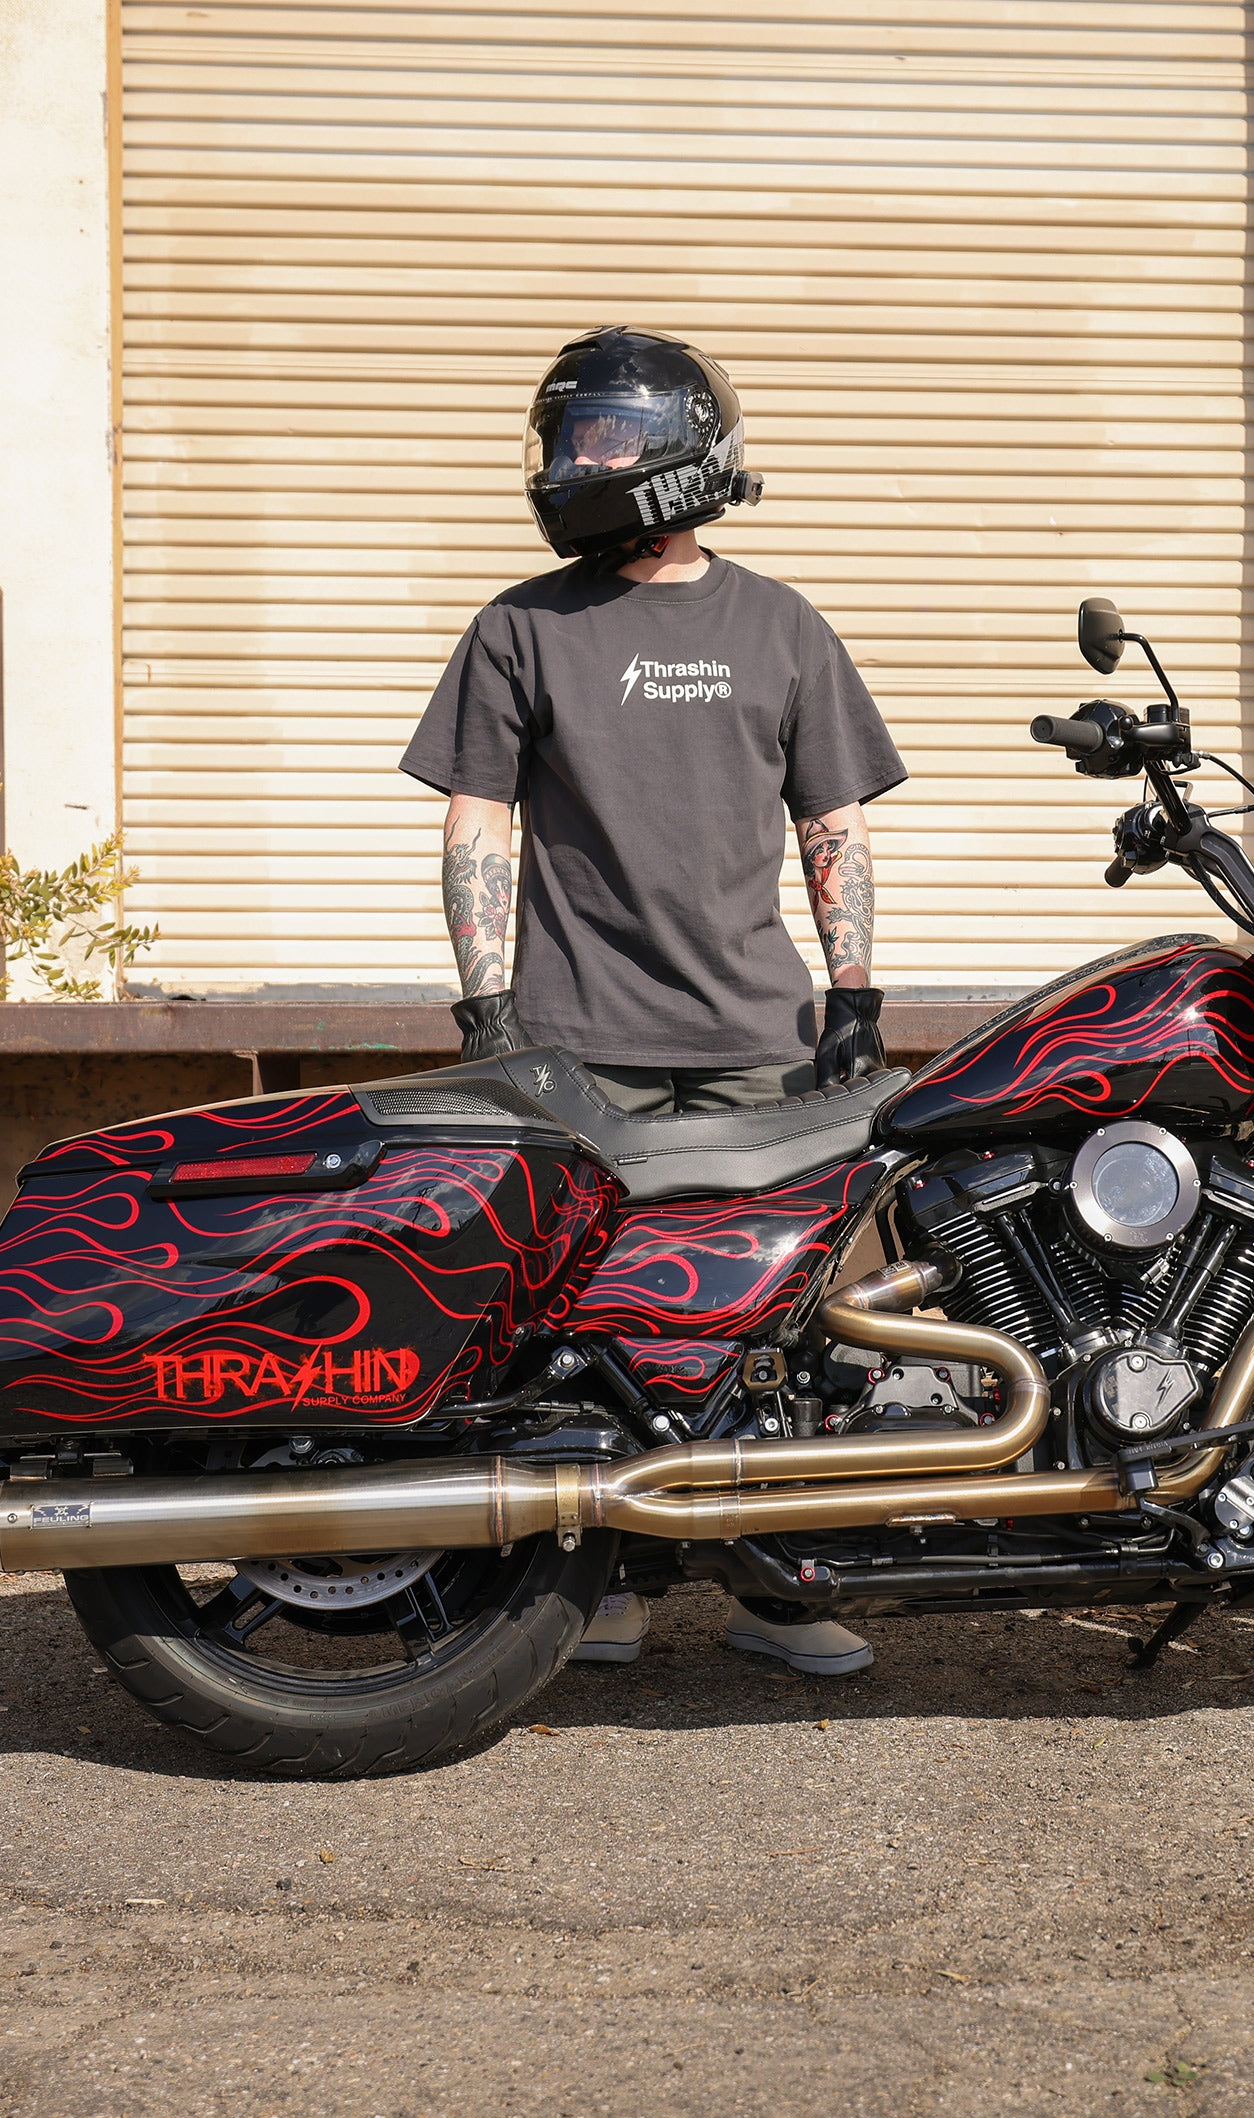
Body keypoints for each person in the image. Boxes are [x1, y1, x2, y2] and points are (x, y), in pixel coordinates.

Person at [401, 327, 906, 1677]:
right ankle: (600, 1584)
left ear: (683, 448)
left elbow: (834, 822)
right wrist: (487, 1011)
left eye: (607, 438)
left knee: (777, 1319)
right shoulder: (520, 627)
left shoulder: (781, 625)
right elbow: (476, 821)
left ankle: (775, 1593)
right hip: (579, 1044)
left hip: (759, 1041)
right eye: (571, 439)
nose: (580, 461)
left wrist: (855, 995)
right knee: (581, 1327)